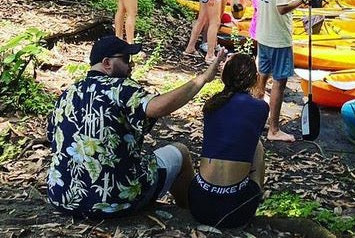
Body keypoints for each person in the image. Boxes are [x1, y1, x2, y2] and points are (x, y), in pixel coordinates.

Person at [47, 35, 224, 218]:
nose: (131, 65)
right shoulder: (121, 87)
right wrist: (202, 79)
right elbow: (157, 107)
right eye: (125, 59)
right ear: (107, 63)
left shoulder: (67, 94)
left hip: (62, 198)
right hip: (115, 200)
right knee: (181, 151)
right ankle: (194, 212)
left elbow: (53, 138)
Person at [188, 53, 268, 228]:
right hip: (235, 210)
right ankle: (257, 194)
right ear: (255, 78)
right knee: (258, 146)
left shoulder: (211, 104)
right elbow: (248, 139)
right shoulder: (260, 107)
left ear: (224, 77)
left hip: (198, 202)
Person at [254, 0, 313, 141]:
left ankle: (256, 120)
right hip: (278, 39)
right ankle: (274, 130)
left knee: (262, 77)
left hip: (263, 35)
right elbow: (282, 8)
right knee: (279, 82)